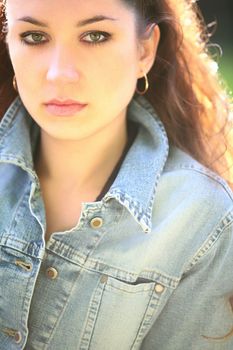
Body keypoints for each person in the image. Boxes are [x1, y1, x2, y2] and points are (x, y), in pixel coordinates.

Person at [0, 0, 232, 349]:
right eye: (34, 36)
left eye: (95, 35)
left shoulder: (199, 216)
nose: (59, 72)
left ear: (144, 50)